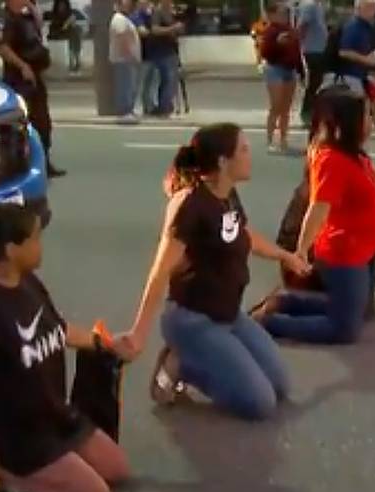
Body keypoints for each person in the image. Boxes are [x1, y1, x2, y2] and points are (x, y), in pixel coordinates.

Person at [118, 123, 309, 421]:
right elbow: (160, 271)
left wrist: (285, 256)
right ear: (223, 161)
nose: (249, 155)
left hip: (230, 314)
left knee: (281, 386)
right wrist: (139, 332)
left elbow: (243, 235)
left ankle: (210, 358)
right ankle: (181, 365)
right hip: (193, 320)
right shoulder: (189, 204)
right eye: (243, 149)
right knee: (260, 403)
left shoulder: (227, 194)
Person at [0, 203, 131, 492]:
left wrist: (102, 343)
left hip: (55, 416)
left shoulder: (28, 283)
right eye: (35, 239)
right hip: (21, 437)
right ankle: (12, 474)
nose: (41, 247)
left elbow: (59, 330)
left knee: (118, 469)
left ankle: (59, 463)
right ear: (11, 249)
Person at [253, 87, 375, 345]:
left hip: (365, 249)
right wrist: (302, 251)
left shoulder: (354, 154)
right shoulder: (330, 159)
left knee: (363, 313)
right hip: (344, 252)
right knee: (345, 330)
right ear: (347, 123)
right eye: (366, 117)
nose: (371, 123)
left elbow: (366, 186)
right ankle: (268, 322)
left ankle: (285, 301)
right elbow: (318, 209)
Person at [0, 0, 66, 178]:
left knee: (43, 121)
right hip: (18, 78)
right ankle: (19, 165)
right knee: (22, 124)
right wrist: (22, 66)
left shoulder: (27, 15)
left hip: (35, 75)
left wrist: (34, 11)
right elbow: (1, 46)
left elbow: (38, 31)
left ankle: (44, 162)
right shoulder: (5, 18)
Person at [261, 1, 304, 153]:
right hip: (275, 69)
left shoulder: (290, 30)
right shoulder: (270, 31)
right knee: (276, 106)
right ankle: (270, 140)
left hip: (290, 70)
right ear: (272, 15)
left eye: (286, 13)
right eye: (281, 13)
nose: (285, 15)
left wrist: (301, 71)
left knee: (286, 108)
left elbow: (297, 51)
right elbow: (265, 53)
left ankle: (284, 140)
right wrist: (277, 43)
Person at [335, 0, 375, 96]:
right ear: (359, 8)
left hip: (362, 75)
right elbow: (343, 52)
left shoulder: (369, 26)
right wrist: (366, 60)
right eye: (369, 7)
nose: (372, 11)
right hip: (349, 77)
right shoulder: (353, 26)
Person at [148, 0, 185, 117]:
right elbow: (155, 29)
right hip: (162, 52)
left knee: (171, 81)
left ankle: (167, 106)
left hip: (171, 51)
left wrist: (178, 30)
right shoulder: (158, 12)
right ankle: (165, 107)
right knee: (168, 80)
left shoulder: (170, 13)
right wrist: (173, 28)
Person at [297, 0, 329, 127]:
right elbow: (302, 26)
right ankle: (307, 113)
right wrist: (299, 45)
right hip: (313, 50)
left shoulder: (318, 5)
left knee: (319, 82)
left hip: (320, 49)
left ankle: (314, 112)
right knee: (315, 83)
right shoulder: (309, 5)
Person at [109, 0, 142, 120]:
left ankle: (129, 110)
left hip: (127, 59)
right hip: (124, 59)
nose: (129, 4)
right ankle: (124, 111)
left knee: (129, 85)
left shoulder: (125, 19)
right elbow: (122, 37)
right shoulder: (119, 19)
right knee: (125, 86)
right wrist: (130, 55)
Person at [48, 0, 83, 73]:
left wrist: (70, 23)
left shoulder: (69, 13)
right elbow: (56, 27)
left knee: (76, 30)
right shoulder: (54, 14)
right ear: (57, 6)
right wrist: (66, 24)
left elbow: (70, 25)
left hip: (68, 33)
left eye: (63, 5)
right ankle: (75, 59)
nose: (61, 6)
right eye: (60, 5)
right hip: (57, 33)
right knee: (75, 32)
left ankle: (75, 58)